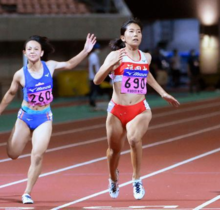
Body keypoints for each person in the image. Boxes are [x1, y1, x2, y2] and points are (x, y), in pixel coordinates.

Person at [0, 33, 96, 204]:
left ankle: (27, 192)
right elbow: (9, 95)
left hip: (44, 118)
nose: (32, 51)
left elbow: (69, 64)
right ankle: (18, 132)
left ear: (41, 53)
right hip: (24, 117)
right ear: (24, 53)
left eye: (36, 49)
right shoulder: (20, 75)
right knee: (13, 154)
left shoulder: (49, 66)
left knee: (37, 155)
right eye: (29, 49)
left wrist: (85, 51)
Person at [93, 18, 180, 200]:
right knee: (113, 151)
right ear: (123, 37)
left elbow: (146, 75)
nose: (136, 34)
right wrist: (110, 64)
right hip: (117, 110)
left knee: (134, 139)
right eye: (131, 31)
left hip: (140, 109)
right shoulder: (115, 56)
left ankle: (136, 179)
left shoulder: (145, 57)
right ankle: (113, 178)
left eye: (139, 31)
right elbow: (97, 80)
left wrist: (162, 93)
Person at [88, 43, 101, 107]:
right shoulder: (93, 56)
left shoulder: (92, 55)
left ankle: (92, 101)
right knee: (94, 90)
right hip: (94, 77)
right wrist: (97, 75)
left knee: (93, 89)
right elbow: (93, 66)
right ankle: (92, 102)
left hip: (92, 76)